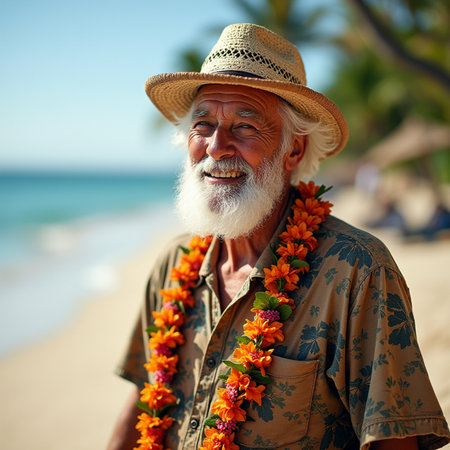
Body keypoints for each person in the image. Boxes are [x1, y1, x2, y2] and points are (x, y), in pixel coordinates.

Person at [107, 23, 450, 450]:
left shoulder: (357, 271)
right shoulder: (173, 263)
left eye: (245, 126)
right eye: (203, 124)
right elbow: (142, 401)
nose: (217, 146)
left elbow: (392, 442)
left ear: (294, 150)